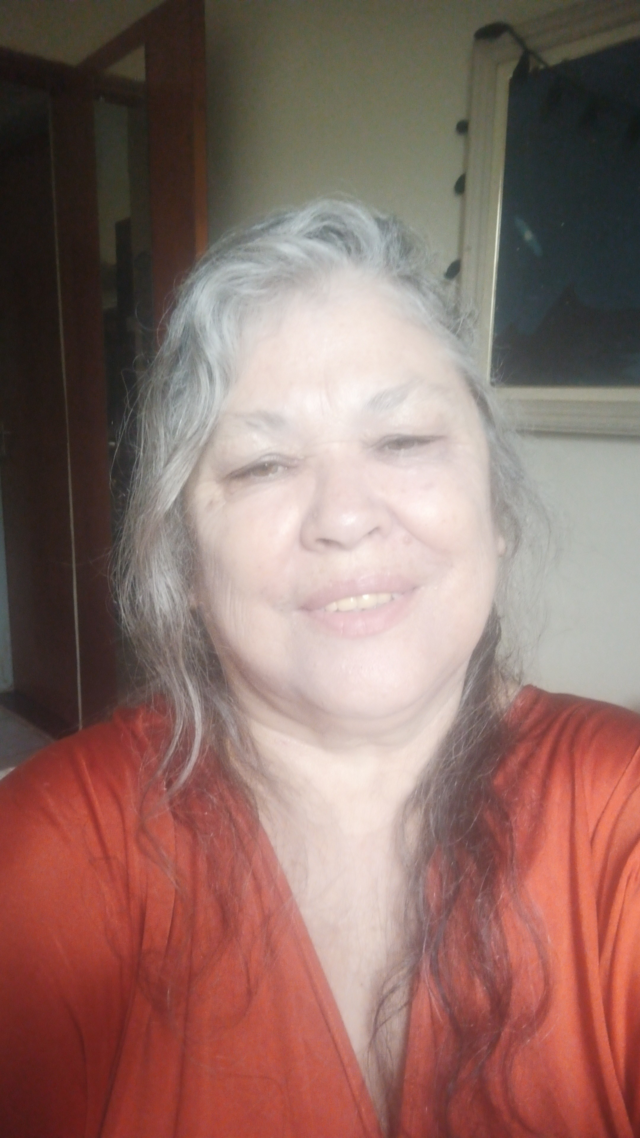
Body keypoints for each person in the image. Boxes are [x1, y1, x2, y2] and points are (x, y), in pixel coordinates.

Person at [1, 200, 639, 1138]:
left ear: (496, 509)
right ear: (184, 564)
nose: (345, 516)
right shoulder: (42, 855)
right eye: (263, 465)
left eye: (403, 441)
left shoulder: (624, 811)